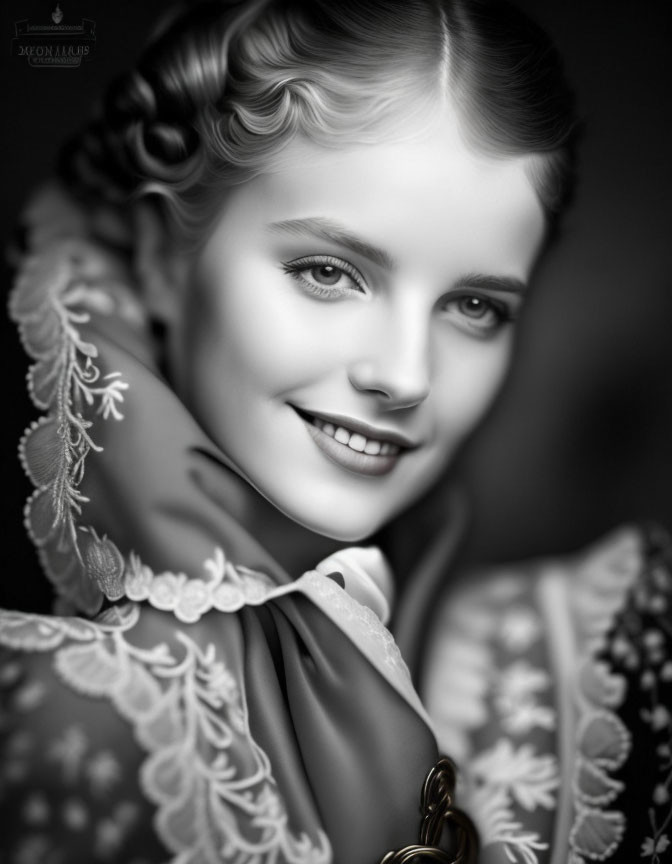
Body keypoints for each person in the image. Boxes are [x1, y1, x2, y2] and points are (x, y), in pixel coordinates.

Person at [1, 0, 668, 862]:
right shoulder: (55, 703)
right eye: (328, 272)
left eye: (474, 306)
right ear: (168, 258)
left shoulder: (599, 649)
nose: (405, 376)